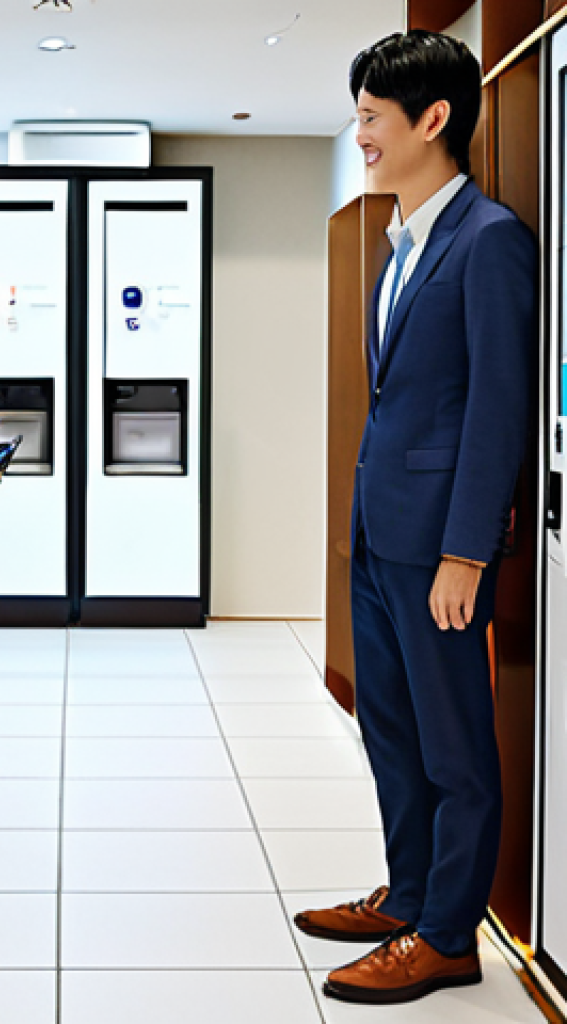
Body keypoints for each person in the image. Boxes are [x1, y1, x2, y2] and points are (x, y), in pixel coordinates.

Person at [295, 31, 536, 1005]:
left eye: (368, 118)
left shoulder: (488, 240)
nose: (357, 134)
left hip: (438, 547)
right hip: (378, 537)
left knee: (453, 746)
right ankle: (407, 893)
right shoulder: (399, 242)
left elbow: (497, 409)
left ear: (432, 120)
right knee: (388, 730)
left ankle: (445, 934)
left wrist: (465, 552)